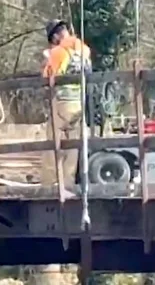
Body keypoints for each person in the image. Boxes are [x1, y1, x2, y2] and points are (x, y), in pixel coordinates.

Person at [40, 19, 92, 188]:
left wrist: (47, 60)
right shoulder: (84, 50)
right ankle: (68, 183)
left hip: (62, 102)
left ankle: (49, 183)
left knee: (52, 143)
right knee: (73, 146)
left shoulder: (59, 52)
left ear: (55, 36)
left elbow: (48, 77)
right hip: (79, 103)